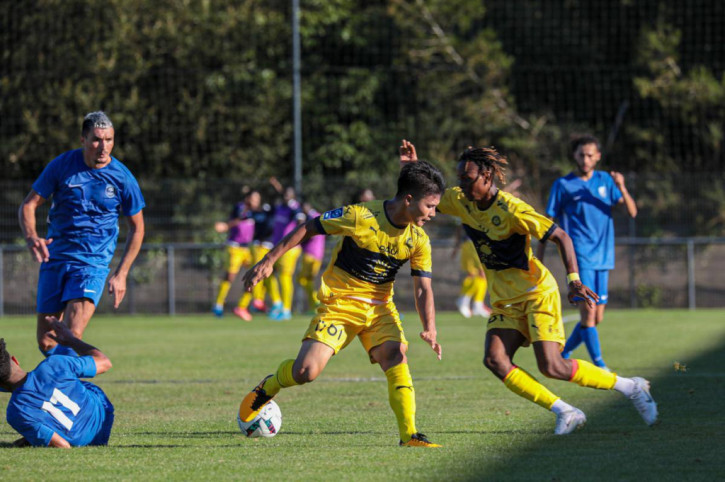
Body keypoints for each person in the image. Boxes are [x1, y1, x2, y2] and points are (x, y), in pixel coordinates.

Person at [400, 139, 657, 435]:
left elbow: (561, 236)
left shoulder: (512, 209)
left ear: (487, 177)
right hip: (505, 301)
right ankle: (566, 411)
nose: (461, 184)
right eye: (459, 178)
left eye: (466, 178)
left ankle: (630, 387)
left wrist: (573, 281)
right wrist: (413, 169)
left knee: (552, 367)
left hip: (537, 295)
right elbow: (427, 199)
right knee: (495, 360)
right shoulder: (460, 199)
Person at [238, 161, 446, 447]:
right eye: (430, 206)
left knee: (395, 355)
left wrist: (430, 328)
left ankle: (409, 435)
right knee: (305, 372)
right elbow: (310, 227)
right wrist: (269, 260)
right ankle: (267, 387)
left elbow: (423, 288)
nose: (434, 214)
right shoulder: (361, 216)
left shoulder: (418, 239)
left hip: (379, 308)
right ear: (409, 199)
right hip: (339, 304)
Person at [19, 112, 145, 357]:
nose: (103, 147)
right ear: (83, 139)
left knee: (71, 335)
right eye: (97, 139)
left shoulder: (123, 178)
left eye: (109, 140)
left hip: (92, 263)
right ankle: (62, 382)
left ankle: (70, 391)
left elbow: (137, 227)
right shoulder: (62, 166)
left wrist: (122, 273)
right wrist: (31, 236)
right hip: (55, 258)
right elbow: (28, 204)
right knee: (47, 341)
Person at [539, 135, 637, 370]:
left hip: (604, 256)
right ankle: (600, 365)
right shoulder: (563, 184)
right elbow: (547, 222)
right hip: (580, 256)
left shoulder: (605, 180)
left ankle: (563, 352)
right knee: (589, 317)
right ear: (574, 156)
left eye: (590, 155)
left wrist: (621, 185)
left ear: (598, 157)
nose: (585, 159)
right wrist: (538, 256)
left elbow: (632, 212)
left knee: (596, 317)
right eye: (581, 154)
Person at [1, 319, 114, 447]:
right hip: (103, 413)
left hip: (90, 442)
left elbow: (62, 446)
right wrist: (71, 340)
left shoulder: (15, 412)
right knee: (66, 376)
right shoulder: (53, 364)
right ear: (15, 360)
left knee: (35, 412)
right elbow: (105, 363)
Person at [212, 189, 256, 320]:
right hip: (235, 247)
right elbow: (238, 218)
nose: (256, 201)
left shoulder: (257, 212)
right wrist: (226, 226)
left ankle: (242, 307)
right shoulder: (240, 207)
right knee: (230, 277)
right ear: (247, 198)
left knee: (255, 276)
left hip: (248, 249)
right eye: (254, 198)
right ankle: (218, 305)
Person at [267, 177, 306, 321]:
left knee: (285, 277)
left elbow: (301, 219)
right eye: (285, 194)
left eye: (288, 194)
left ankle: (286, 310)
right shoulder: (280, 207)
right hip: (277, 246)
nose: (286, 196)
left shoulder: (294, 207)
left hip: (290, 248)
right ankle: (277, 302)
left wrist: (299, 229)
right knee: (268, 273)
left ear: (293, 196)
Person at [452, 227, 491, 318]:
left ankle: (477, 304)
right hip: (473, 244)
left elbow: (459, 229)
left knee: (478, 275)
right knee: (479, 274)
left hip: (473, 244)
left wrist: (456, 246)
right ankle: (465, 300)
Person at [297, 201, 325, 313]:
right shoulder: (319, 215)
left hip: (310, 253)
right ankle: (313, 306)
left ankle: (315, 301)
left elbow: (310, 235)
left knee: (303, 279)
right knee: (309, 279)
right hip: (319, 254)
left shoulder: (311, 218)